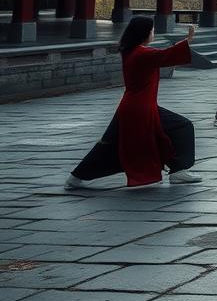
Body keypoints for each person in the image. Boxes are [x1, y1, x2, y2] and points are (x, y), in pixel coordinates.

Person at [65, 17, 202, 189]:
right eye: (151, 30)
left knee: (110, 144)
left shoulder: (132, 51)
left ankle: (76, 176)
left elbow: (161, 55)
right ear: (144, 33)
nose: (153, 33)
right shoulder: (141, 53)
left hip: (133, 107)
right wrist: (187, 41)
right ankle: (178, 170)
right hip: (140, 109)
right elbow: (164, 55)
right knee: (182, 127)